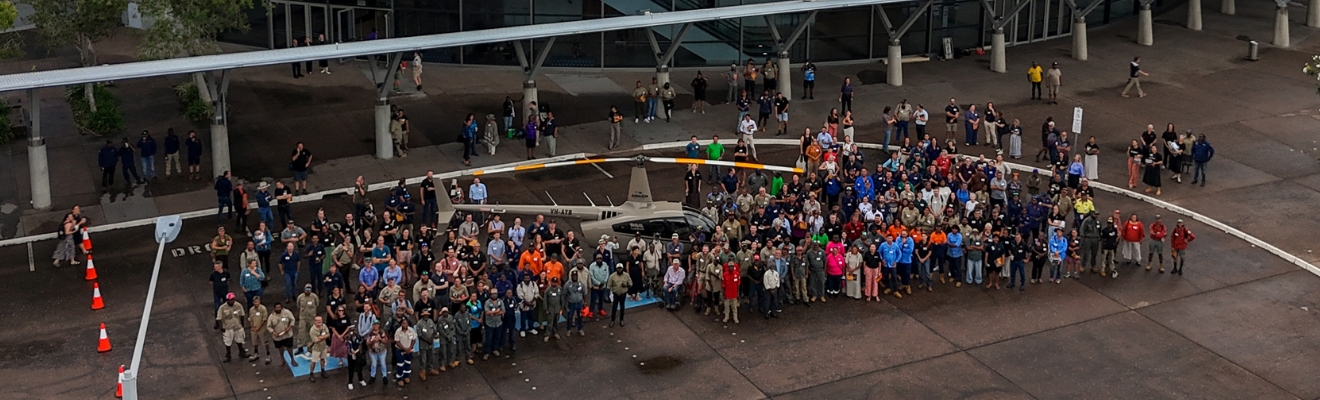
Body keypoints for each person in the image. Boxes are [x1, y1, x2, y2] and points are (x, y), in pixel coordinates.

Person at [216, 293, 249, 362]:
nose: (231, 301)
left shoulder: (238, 305)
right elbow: (219, 318)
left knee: (240, 339)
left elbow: (242, 315)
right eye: (230, 300)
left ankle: (241, 352)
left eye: (232, 299)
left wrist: (242, 325)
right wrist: (221, 327)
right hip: (228, 327)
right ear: (227, 300)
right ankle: (228, 355)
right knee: (228, 341)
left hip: (237, 326)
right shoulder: (222, 307)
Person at [269, 302, 297, 366]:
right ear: (274, 308)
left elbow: (293, 320)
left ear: (281, 307)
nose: (278, 309)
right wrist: (273, 332)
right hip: (278, 336)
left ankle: (292, 359)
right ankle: (282, 359)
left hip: (287, 334)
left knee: (289, 347)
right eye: (276, 308)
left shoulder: (287, 312)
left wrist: (289, 327)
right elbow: (269, 326)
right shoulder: (271, 316)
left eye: (279, 307)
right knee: (280, 348)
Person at [247, 296, 273, 364]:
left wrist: (259, 327)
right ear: (253, 302)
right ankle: (256, 353)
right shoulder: (251, 309)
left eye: (258, 302)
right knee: (254, 342)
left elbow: (264, 319)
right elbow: (250, 319)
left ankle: (268, 355)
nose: (256, 303)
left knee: (265, 342)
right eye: (255, 302)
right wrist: (252, 327)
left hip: (262, 329)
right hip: (254, 329)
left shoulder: (263, 308)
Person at [392, 317, 416, 387]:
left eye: (406, 323)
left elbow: (414, 339)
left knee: (408, 363)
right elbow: (397, 341)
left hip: (409, 350)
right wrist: (405, 349)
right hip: (400, 350)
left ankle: (406, 376)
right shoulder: (398, 331)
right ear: (401, 324)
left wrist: (410, 347)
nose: (405, 325)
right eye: (403, 323)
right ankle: (399, 379)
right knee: (400, 365)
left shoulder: (411, 330)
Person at [308, 316, 331, 382]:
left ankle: (323, 370)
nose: (319, 322)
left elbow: (328, 334)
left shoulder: (324, 326)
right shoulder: (312, 330)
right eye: (317, 320)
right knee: (314, 361)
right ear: (314, 321)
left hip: (323, 346)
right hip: (316, 348)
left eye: (320, 320)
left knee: (323, 359)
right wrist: (324, 337)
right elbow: (315, 340)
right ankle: (311, 374)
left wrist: (321, 337)